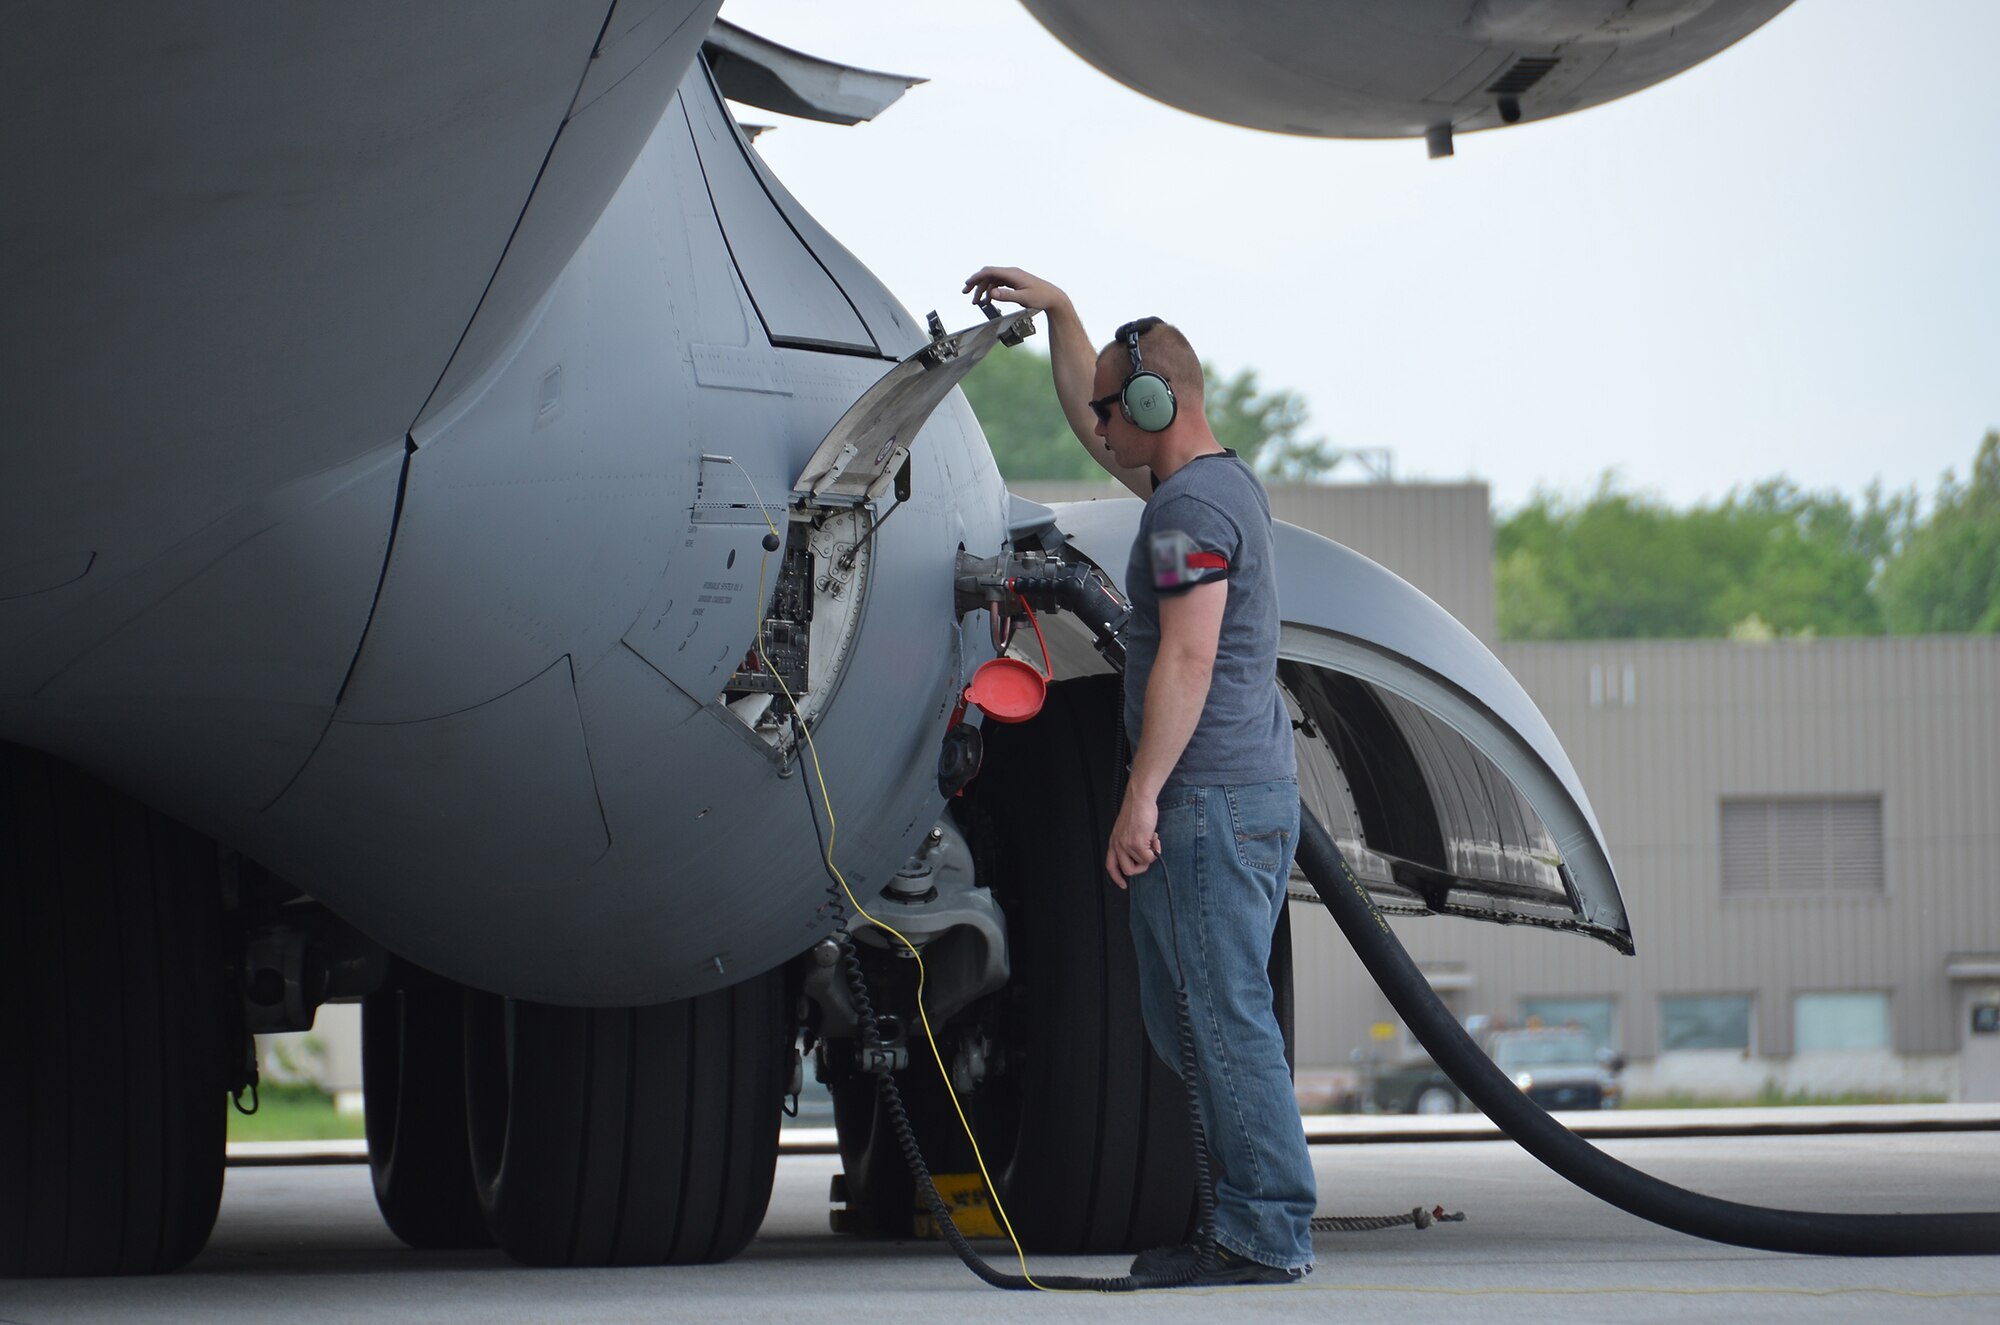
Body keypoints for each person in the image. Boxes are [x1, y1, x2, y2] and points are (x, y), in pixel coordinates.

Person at [963, 266, 1315, 1286]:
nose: (1097, 429)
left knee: (1219, 1017)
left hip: (1202, 801)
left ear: (1155, 405)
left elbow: (1187, 659)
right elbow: (1100, 422)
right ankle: (1242, 1221)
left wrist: (1138, 796)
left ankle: (1263, 1228)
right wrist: (1063, 313)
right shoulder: (1209, 485)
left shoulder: (1184, 517)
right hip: (1230, 795)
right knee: (1196, 1017)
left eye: (1111, 411)